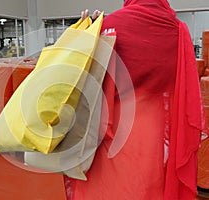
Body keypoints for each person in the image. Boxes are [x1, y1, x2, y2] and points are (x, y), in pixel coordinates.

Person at [64, 0, 207, 199]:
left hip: (109, 130)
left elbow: (81, 82)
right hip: (153, 132)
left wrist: (88, 33)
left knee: (105, 188)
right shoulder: (177, 31)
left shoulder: (107, 25)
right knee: (147, 188)